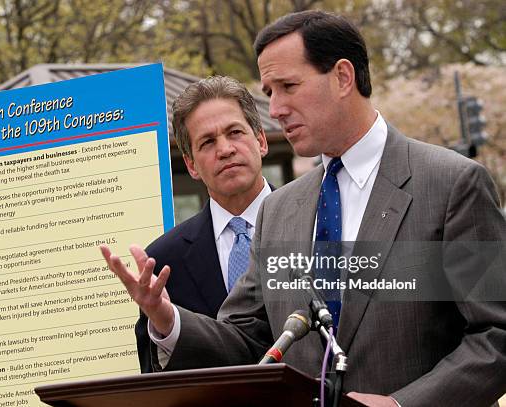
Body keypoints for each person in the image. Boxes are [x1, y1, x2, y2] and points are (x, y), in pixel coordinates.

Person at [101, 11, 506, 407]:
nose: (274, 109)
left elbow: (496, 336)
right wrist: (168, 320)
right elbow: (247, 339)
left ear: (343, 77)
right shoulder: (279, 209)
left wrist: (402, 405)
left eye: (287, 87)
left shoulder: (452, 184)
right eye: (269, 92)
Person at [134, 76, 273, 372]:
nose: (225, 149)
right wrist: (167, 326)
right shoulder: (163, 261)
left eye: (235, 132)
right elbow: (154, 381)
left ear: (260, 141)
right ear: (191, 165)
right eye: (207, 142)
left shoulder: (316, 223)